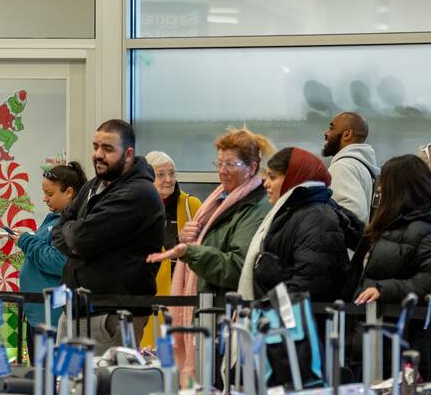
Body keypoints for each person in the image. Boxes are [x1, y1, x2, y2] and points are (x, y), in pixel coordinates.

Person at [147, 129, 273, 374]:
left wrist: (190, 252)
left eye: (231, 164)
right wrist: (186, 240)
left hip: (227, 319)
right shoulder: (218, 201)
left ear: (252, 167)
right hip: (207, 314)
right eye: (219, 163)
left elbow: (238, 267)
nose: (222, 170)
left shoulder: (254, 207)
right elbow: (206, 246)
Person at [50, 119, 164, 352]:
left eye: (108, 149)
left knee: (106, 386)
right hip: (74, 309)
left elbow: (81, 239)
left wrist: (75, 235)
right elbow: (58, 231)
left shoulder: (137, 193)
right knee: (66, 387)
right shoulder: (94, 185)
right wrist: (76, 235)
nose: (98, 155)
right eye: (95, 147)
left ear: (129, 153)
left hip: (111, 316)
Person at [240, 147, 360, 301]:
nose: (266, 184)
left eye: (273, 177)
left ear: (293, 178)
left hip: (302, 320)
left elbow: (314, 281)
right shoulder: (290, 213)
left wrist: (268, 301)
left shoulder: (317, 218)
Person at [350, 154, 431, 311]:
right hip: (390, 325)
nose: (379, 189)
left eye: (383, 183)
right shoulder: (396, 225)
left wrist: (383, 290)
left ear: (398, 189)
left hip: (414, 329)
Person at [18, 161, 84, 332]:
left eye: (50, 193)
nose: (44, 198)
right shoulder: (55, 219)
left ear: (69, 192)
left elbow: (58, 260)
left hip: (51, 317)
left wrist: (27, 241)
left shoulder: (71, 224)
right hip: (39, 313)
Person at [145, 150, 201, 345]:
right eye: (161, 174)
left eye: (172, 173)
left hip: (183, 296)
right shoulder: (138, 207)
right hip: (148, 297)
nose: (168, 180)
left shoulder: (191, 204)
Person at [322, 111, 379, 223]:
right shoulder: (364, 166)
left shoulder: (343, 167)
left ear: (347, 134)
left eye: (331, 128)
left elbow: (354, 215)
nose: (325, 133)